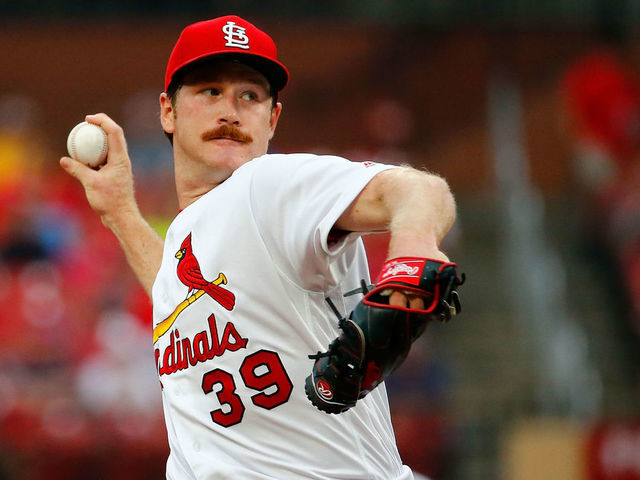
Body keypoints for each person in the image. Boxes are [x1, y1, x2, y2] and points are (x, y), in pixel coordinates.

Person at [60, 15, 457, 480]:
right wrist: (121, 213)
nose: (230, 110)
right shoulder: (192, 236)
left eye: (249, 96)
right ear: (168, 111)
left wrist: (413, 247)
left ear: (272, 120)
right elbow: (182, 300)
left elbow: (416, 190)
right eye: (210, 91)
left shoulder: (268, 186)